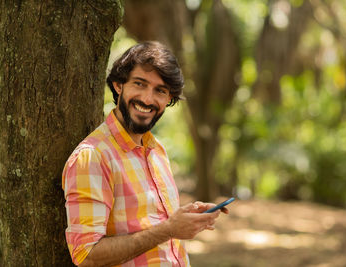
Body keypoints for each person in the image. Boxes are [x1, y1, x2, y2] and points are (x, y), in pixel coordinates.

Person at [62, 41, 229, 267]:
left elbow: (153, 226)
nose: (148, 99)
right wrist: (169, 229)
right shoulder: (93, 157)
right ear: (118, 85)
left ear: (168, 99)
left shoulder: (156, 150)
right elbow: (87, 255)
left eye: (160, 90)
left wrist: (184, 218)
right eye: (140, 84)